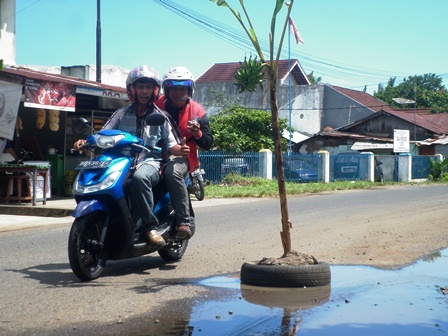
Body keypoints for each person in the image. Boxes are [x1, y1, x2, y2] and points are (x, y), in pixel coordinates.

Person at [74, 65, 190, 246]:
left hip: (150, 162)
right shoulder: (120, 114)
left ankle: (149, 227)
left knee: (139, 178)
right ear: (132, 90)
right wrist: (86, 142)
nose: (144, 91)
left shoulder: (161, 116)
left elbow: (171, 143)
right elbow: (102, 134)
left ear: (155, 90)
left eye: (148, 87)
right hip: (120, 162)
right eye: (140, 87)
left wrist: (180, 150)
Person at [155, 66, 214, 239]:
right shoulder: (156, 105)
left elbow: (208, 143)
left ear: (189, 91)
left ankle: (184, 222)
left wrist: (197, 133)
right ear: (167, 90)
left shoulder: (197, 112)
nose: (178, 93)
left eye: (182, 89)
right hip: (155, 153)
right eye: (174, 89)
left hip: (184, 156)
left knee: (172, 173)